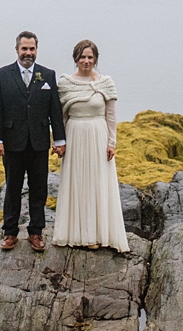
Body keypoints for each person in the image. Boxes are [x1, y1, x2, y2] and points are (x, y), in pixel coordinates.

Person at [0, 30, 65, 251]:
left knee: (39, 188)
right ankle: (10, 233)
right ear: (16, 50)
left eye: (32, 49)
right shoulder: (1, 75)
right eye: (24, 49)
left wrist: (59, 139)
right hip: (12, 143)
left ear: (36, 50)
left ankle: (36, 232)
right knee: (13, 187)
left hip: (39, 143)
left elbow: (55, 111)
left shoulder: (47, 75)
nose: (28, 53)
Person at [51, 39, 128, 252]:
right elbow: (61, 117)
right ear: (76, 59)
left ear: (95, 59)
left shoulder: (105, 82)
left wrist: (111, 143)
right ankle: (76, 233)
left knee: (98, 183)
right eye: (82, 57)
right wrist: (59, 142)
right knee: (77, 182)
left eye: (90, 57)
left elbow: (111, 116)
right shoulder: (66, 83)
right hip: (74, 135)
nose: (86, 61)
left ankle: (100, 233)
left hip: (98, 135)